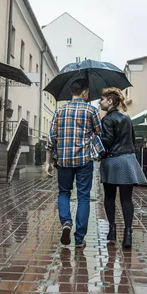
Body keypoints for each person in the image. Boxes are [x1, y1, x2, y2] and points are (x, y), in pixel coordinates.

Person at [45, 80, 104, 249]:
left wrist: (47, 162)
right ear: (84, 92)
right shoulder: (91, 110)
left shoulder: (60, 111)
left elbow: (51, 138)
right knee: (83, 196)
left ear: (72, 92)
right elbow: (99, 132)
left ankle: (66, 222)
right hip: (84, 159)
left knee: (64, 192)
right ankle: (79, 238)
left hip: (63, 159)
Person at [98, 88, 147, 249]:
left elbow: (107, 141)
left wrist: (95, 134)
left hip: (112, 161)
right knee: (127, 199)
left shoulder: (107, 119)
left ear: (110, 102)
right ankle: (128, 234)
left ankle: (112, 231)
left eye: (102, 99)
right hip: (128, 161)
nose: (100, 102)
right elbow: (132, 140)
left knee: (110, 197)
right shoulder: (127, 118)